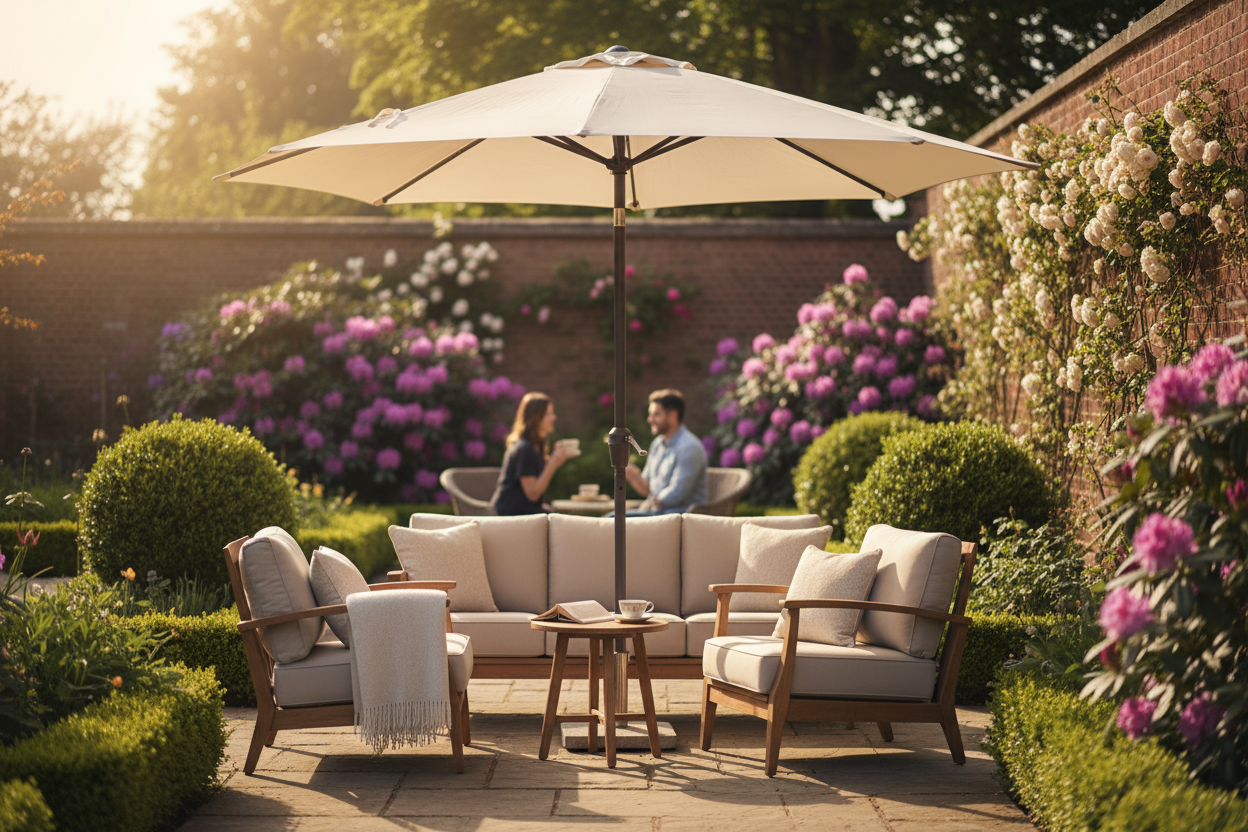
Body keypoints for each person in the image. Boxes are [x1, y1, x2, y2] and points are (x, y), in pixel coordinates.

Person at [623, 388, 708, 515]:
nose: (649, 419)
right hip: (659, 513)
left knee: (612, 519)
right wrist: (634, 476)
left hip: (681, 516)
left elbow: (676, 494)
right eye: (650, 414)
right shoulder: (657, 444)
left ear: (673, 415)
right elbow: (647, 489)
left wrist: (649, 504)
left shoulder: (689, 447)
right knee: (612, 519)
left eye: (656, 414)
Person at [490, 392, 573, 515]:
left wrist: (554, 462)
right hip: (511, 515)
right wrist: (552, 464)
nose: (554, 417)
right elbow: (533, 495)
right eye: (548, 414)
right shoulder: (524, 449)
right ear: (535, 418)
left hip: (526, 511)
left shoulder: (535, 446)